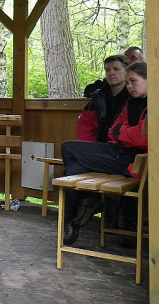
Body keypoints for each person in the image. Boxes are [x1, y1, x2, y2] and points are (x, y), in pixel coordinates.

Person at [61, 62, 148, 246]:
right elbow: (111, 131)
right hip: (117, 152)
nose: (130, 86)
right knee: (70, 154)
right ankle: (85, 204)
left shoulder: (152, 106)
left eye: (133, 81)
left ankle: (72, 218)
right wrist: (123, 133)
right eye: (128, 82)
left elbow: (142, 139)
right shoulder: (129, 103)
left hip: (133, 163)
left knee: (73, 164)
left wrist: (122, 132)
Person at [76, 55, 129, 143]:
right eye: (107, 70)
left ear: (126, 72)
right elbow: (86, 126)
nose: (111, 73)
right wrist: (89, 149)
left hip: (124, 146)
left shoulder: (133, 96)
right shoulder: (99, 96)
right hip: (101, 146)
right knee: (70, 147)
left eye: (116, 69)